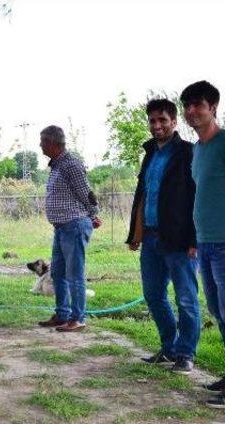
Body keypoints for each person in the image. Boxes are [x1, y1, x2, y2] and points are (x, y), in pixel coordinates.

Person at [126, 99, 200, 374]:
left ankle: (186, 353)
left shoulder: (188, 153)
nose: (157, 126)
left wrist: (194, 239)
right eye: (153, 121)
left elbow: (196, 198)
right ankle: (169, 348)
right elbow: (143, 195)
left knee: (186, 299)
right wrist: (135, 232)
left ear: (174, 122)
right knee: (154, 295)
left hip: (180, 240)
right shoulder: (150, 154)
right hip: (151, 237)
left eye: (163, 120)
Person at [181, 81, 225, 406]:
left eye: (198, 104)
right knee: (218, 311)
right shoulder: (197, 150)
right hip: (206, 243)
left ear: (213, 107)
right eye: (188, 105)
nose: (192, 111)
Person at [37, 125, 101, 332]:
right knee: (58, 274)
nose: (40, 146)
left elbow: (86, 193)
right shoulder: (57, 165)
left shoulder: (71, 164)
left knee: (75, 275)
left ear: (53, 143)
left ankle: (78, 317)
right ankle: (62, 314)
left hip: (74, 225)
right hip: (61, 228)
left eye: (43, 142)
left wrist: (93, 214)